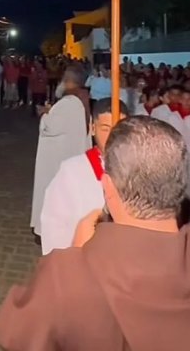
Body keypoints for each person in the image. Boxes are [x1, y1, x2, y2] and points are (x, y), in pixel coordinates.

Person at [0, 116, 190, 351]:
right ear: (180, 185)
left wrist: (72, 254)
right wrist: (189, 209)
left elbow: (15, 333)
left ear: (108, 187)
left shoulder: (70, 275)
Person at [39, 98, 126, 255]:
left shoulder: (139, 169)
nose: (113, 137)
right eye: (105, 129)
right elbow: (54, 225)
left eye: (120, 130)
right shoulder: (72, 171)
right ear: (92, 128)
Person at [30, 65, 91, 240]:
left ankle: (47, 231)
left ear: (70, 81)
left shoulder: (69, 102)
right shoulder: (81, 99)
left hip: (57, 159)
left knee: (52, 193)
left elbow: (50, 127)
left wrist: (44, 114)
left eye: (64, 79)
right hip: (69, 154)